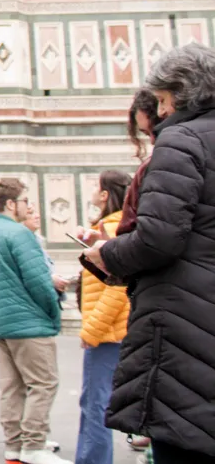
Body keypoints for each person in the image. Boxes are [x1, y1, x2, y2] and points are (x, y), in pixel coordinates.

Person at [83, 44, 215, 464]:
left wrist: (109, 254)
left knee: (183, 436)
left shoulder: (183, 140)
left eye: (161, 101)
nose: (160, 114)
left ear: (179, 94)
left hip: (183, 323)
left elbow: (158, 238)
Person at [0, 179, 67, 464]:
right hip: (28, 322)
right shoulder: (19, 234)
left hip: (2, 323)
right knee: (43, 383)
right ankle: (34, 444)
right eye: (25, 201)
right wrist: (53, 310)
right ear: (10, 204)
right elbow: (38, 280)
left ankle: (14, 444)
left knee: (12, 387)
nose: (28, 206)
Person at [74, 171, 130, 464]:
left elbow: (117, 288)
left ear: (106, 194)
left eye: (97, 188)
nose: (94, 192)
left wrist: (92, 330)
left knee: (95, 402)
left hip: (107, 332)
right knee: (94, 401)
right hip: (113, 330)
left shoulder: (111, 227)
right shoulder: (114, 226)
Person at [119, 89, 161, 236]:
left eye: (156, 130)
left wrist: (108, 250)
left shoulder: (149, 169)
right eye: (146, 133)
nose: (152, 140)